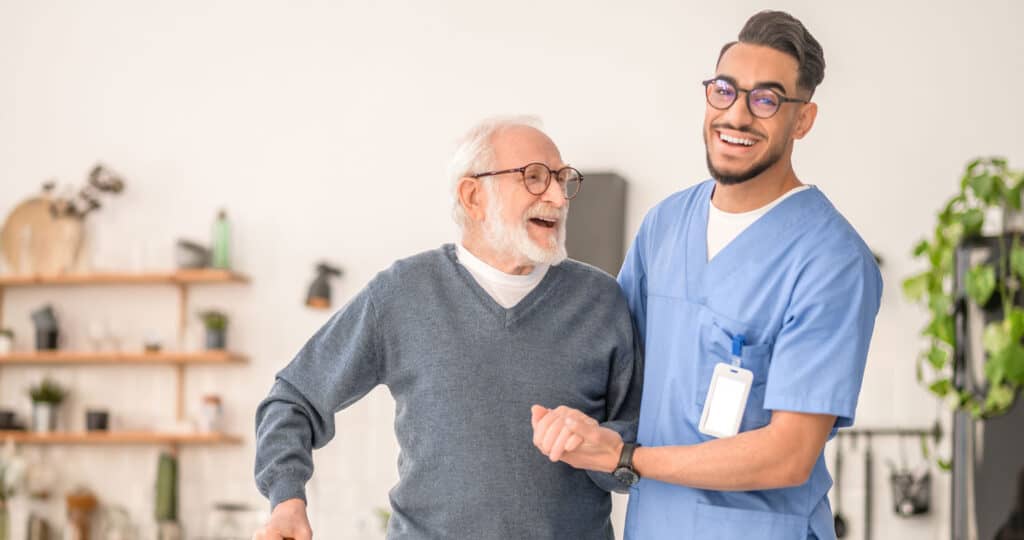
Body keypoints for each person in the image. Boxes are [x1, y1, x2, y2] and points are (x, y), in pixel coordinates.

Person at [531, 11, 882, 540]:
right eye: (725, 91)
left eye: (766, 99)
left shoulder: (831, 259)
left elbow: (788, 456)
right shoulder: (666, 227)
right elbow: (613, 367)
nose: (737, 116)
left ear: (803, 120)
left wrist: (628, 456)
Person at [253, 117, 642, 540]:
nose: (558, 197)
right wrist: (287, 499)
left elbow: (636, 447)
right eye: (534, 178)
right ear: (473, 196)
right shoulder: (402, 293)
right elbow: (293, 399)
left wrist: (602, 448)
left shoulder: (602, 300)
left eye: (563, 180)